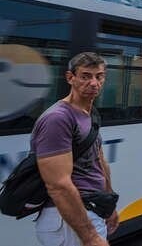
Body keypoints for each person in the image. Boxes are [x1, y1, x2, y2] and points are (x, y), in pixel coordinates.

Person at [31, 52, 118, 246]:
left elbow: (98, 159)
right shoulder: (58, 118)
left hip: (91, 208)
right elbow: (58, 185)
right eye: (86, 76)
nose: (94, 83)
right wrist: (90, 236)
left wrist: (109, 203)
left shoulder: (90, 113)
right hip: (68, 219)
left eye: (99, 76)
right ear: (70, 78)